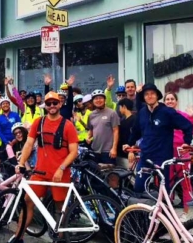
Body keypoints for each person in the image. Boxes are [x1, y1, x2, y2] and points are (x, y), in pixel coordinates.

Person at [13, 92, 79, 243]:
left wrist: (61, 168)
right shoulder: (38, 122)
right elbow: (29, 144)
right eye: (48, 103)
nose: (52, 106)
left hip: (59, 173)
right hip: (40, 172)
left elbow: (74, 151)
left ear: (60, 104)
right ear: (45, 106)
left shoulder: (67, 125)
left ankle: (60, 239)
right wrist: (21, 163)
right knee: (28, 201)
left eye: (55, 103)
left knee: (60, 206)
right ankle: (18, 237)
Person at [123, 84, 193, 192]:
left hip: (163, 157)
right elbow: (136, 131)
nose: (149, 96)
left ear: (157, 96)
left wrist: (186, 142)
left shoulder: (167, 112)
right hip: (145, 156)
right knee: (139, 188)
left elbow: (188, 126)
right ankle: (146, 209)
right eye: (146, 94)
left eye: (152, 93)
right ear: (144, 97)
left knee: (164, 190)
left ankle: (164, 208)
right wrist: (129, 143)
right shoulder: (142, 113)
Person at [86, 90, 120, 164]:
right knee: (96, 174)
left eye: (100, 98)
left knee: (110, 174)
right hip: (94, 150)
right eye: (96, 98)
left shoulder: (112, 113)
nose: (98, 100)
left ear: (105, 100)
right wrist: (88, 137)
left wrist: (114, 148)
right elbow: (91, 130)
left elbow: (116, 131)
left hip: (108, 151)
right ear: (93, 101)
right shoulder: (91, 115)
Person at [116, 98, 135, 169]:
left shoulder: (134, 120)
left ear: (124, 106)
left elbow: (135, 137)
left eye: (120, 107)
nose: (119, 109)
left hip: (129, 155)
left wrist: (131, 150)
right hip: (120, 153)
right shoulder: (122, 120)